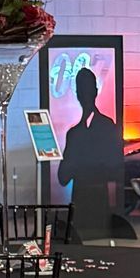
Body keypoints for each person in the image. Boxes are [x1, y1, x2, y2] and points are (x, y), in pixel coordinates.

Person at [57, 65, 132, 239]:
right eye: (82, 90)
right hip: (81, 212)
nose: (83, 95)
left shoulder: (103, 128)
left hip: (100, 213)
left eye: (86, 89)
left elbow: (116, 168)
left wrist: (81, 164)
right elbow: (63, 176)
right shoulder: (75, 133)